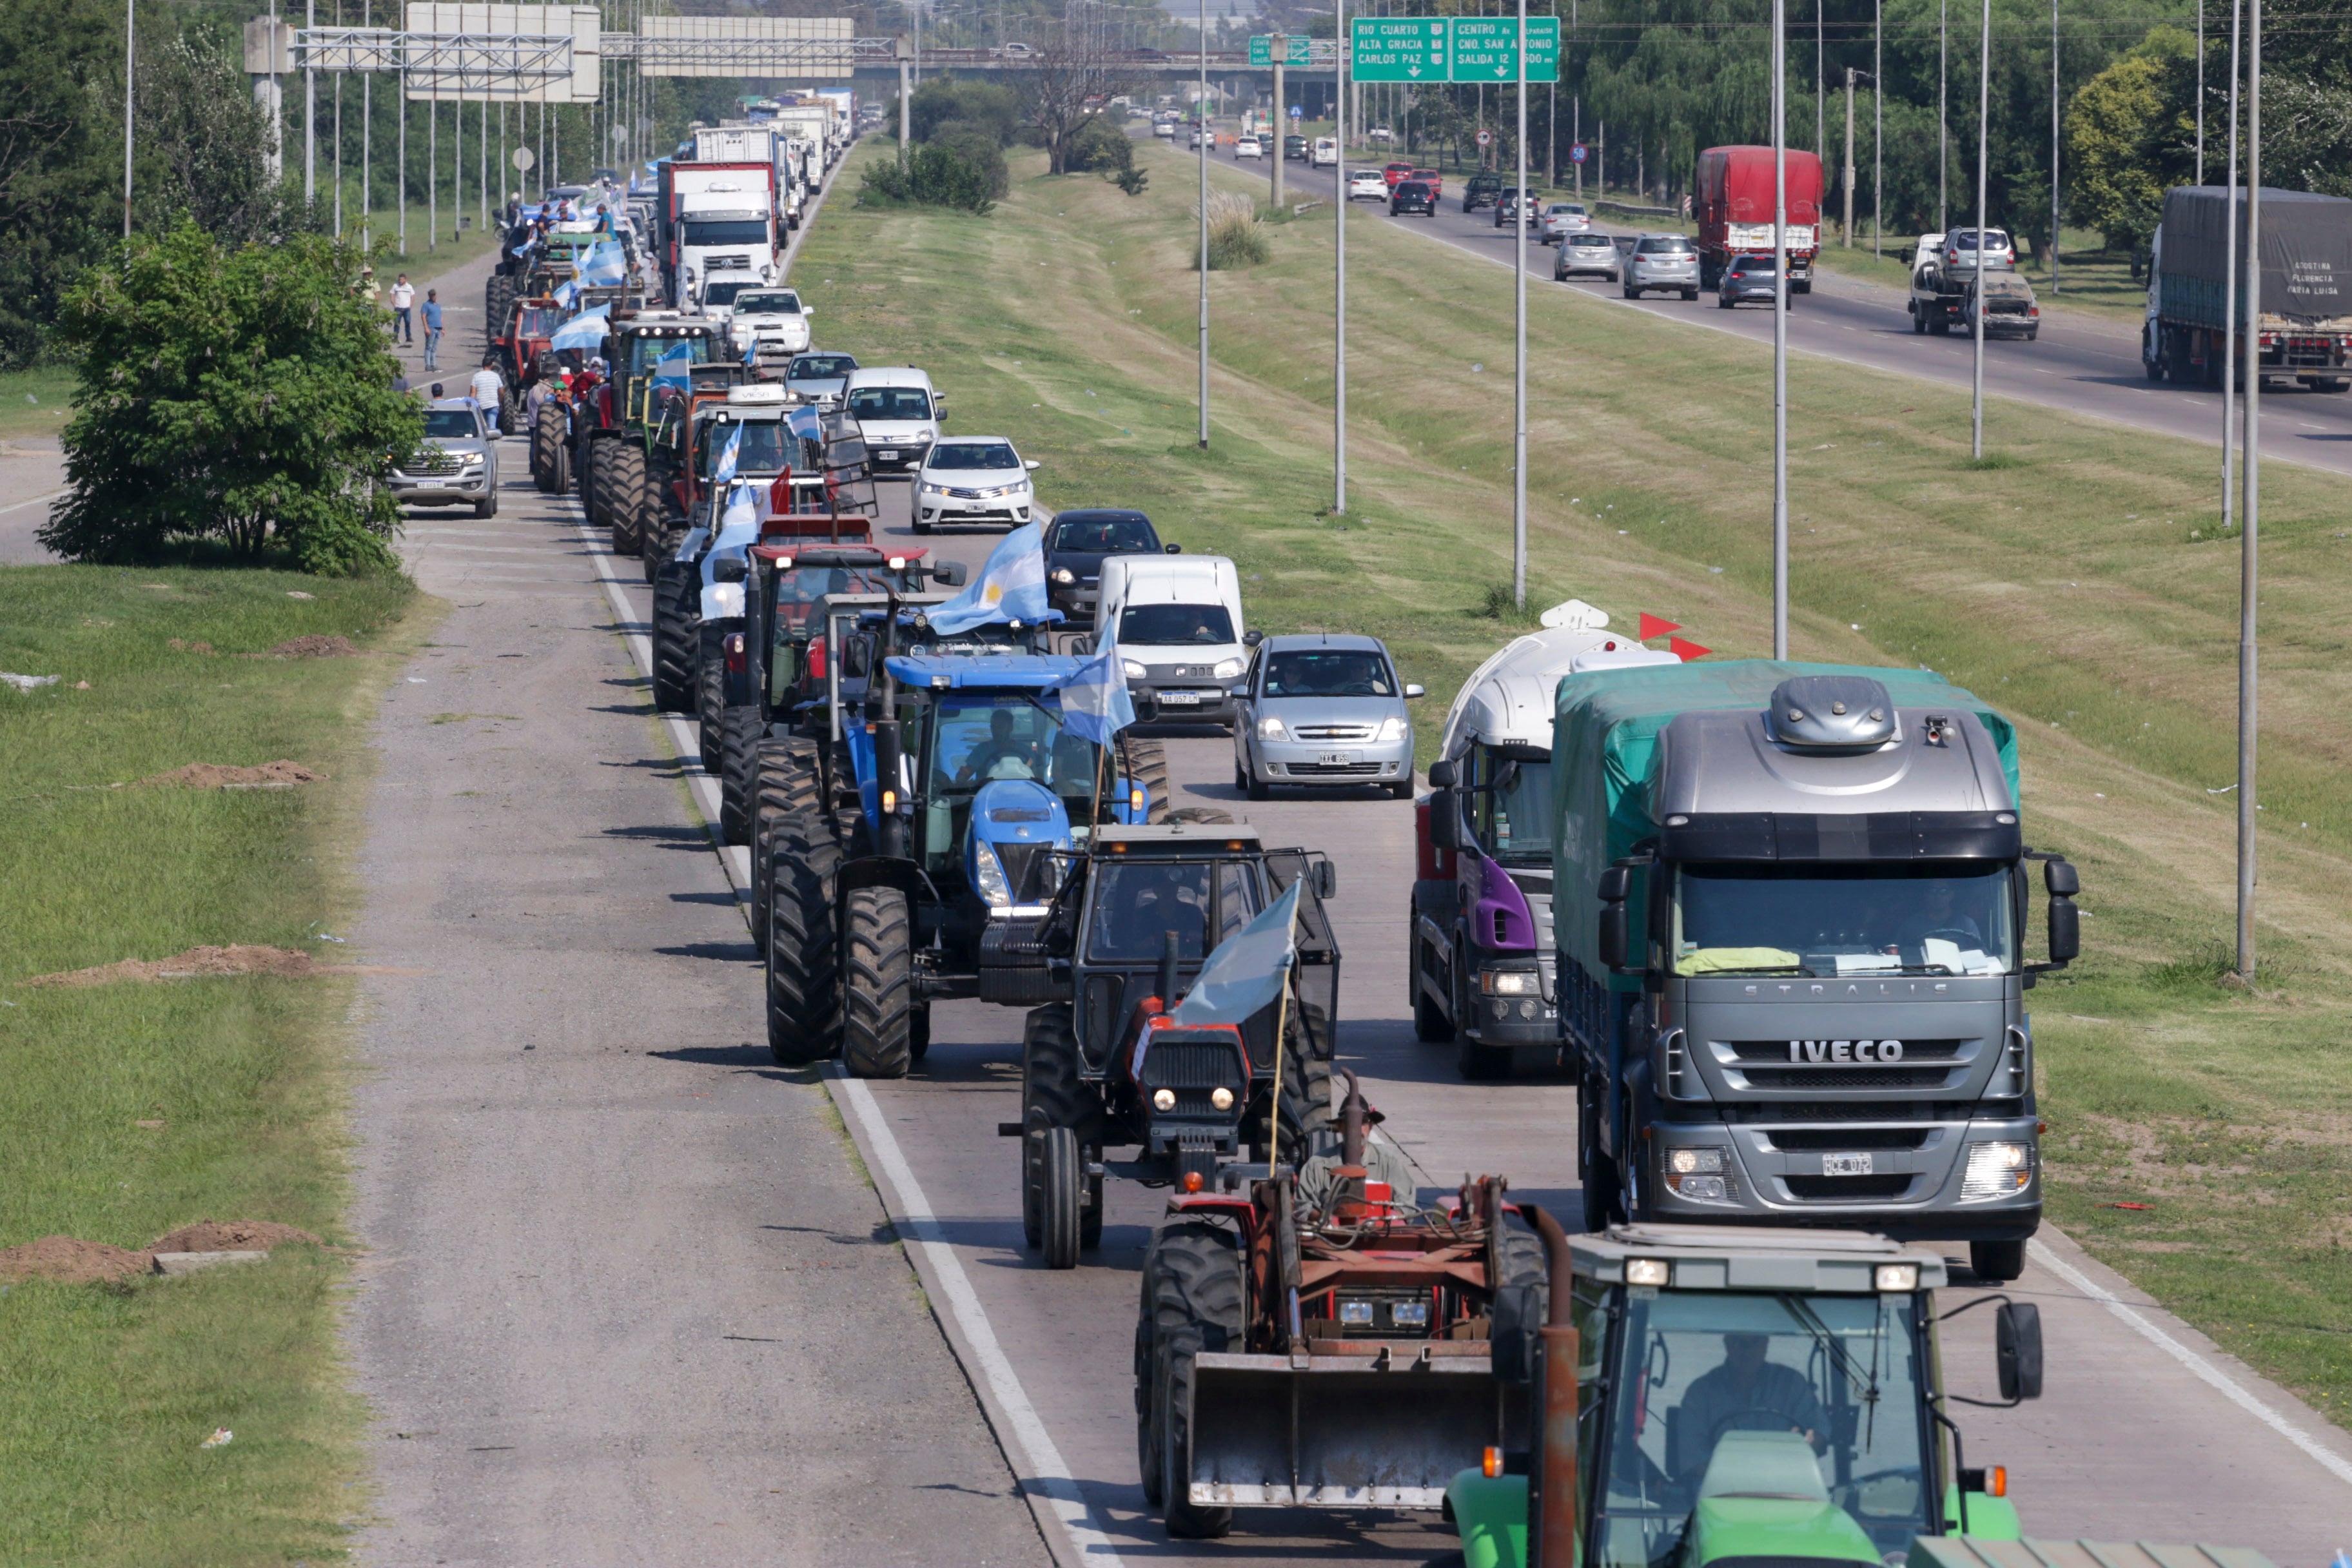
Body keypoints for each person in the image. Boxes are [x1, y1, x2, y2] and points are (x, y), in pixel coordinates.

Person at [1675, 1332, 1827, 1472]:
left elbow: (1820, 1431)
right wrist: (1746, 1475)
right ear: (1727, 1343)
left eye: (1754, 1342)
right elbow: (1694, 1457)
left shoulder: (1792, 1384)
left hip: (1786, 1482)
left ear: (1766, 1343)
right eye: (1739, 1342)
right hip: (1721, 1489)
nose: (1747, 1351)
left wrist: (1810, 1441)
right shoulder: (1701, 1392)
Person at [957, 709, 1035, 783]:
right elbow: (965, 774)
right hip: (987, 794)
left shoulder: (1026, 752)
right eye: (993, 727)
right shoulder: (982, 750)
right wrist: (962, 775)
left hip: (1023, 794)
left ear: (1010, 728)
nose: (996, 731)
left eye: (1000, 727)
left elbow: (1037, 778)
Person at [469, 358, 505, 436]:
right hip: (493, 405)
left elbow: (473, 392)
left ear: (483, 365)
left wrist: (470, 404)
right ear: (492, 365)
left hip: (481, 406)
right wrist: (499, 401)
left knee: (481, 429)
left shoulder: (476, 376)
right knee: (492, 429)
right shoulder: (496, 376)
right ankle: (491, 445)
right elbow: (502, 392)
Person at [420, 289, 444, 371]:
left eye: (434, 295)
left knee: (434, 348)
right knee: (429, 347)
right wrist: (426, 328)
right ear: (429, 296)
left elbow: (441, 317)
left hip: (438, 328)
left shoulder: (438, 306)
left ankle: (433, 364)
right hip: (431, 328)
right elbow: (423, 316)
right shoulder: (426, 305)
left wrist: (443, 328)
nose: (433, 297)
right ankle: (428, 365)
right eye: (431, 295)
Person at [387, 273, 416, 343]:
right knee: (397, 323)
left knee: (408, 322)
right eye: (399, 279)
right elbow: (392, 295)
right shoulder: (395, 286)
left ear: (405, 280)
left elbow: (413, 297)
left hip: (407, 308)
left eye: (402, 279)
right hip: (398, 308)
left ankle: (408, 337)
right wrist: (394, 305)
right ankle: (395, 337)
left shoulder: (409, 287)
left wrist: (410, 306)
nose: (400, 281)